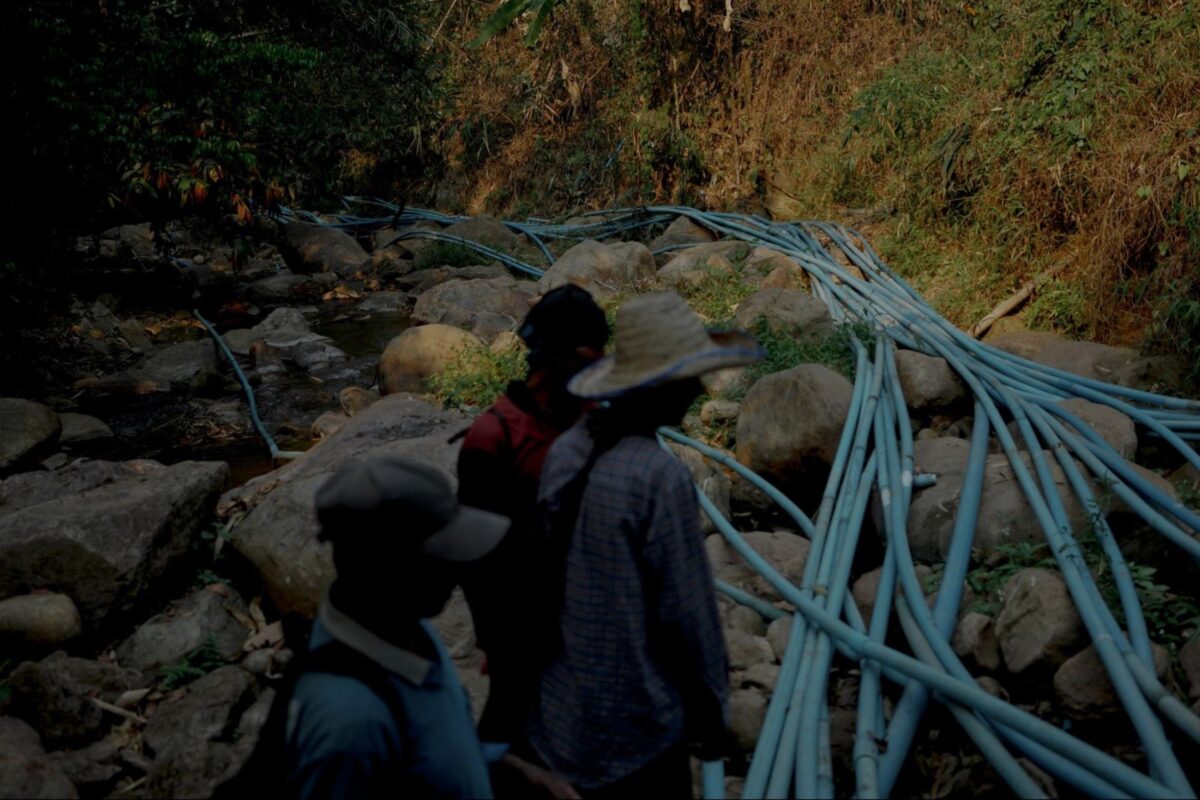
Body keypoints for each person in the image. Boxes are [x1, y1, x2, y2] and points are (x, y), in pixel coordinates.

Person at [224, 455, 575, 800]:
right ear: (386, 567)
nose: (458, 569)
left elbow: (433, 744)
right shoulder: (351, 723)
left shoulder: (402, 628)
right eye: (441, 555)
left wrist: (506, 768)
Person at [527, 291, 763, 797]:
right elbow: (688, 615)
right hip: (637, 734)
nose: (700, 388)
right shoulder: (659, 477)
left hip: (563, 722)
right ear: (661, 386)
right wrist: (710, 711)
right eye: (689, 376)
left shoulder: (568, 450)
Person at [456, 284, 610, 743]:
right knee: (514, 735)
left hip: (589, 621)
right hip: (522, 629)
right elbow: (475, 560)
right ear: (555, 357)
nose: (599, 365)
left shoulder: (593, 419)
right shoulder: (495, 437)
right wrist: (496, 642)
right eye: (590, 354)